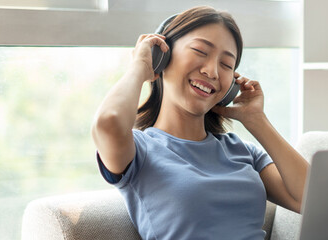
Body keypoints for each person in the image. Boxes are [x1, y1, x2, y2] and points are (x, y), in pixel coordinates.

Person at [91, 6, 310, 239]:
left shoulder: (241, 151)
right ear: (162, 57)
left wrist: (257, 120)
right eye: (200, 51)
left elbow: (314, 200)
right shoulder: (139, 151)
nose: (213, 71)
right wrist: (140, 67)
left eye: (227, 65)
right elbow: (108, 122)